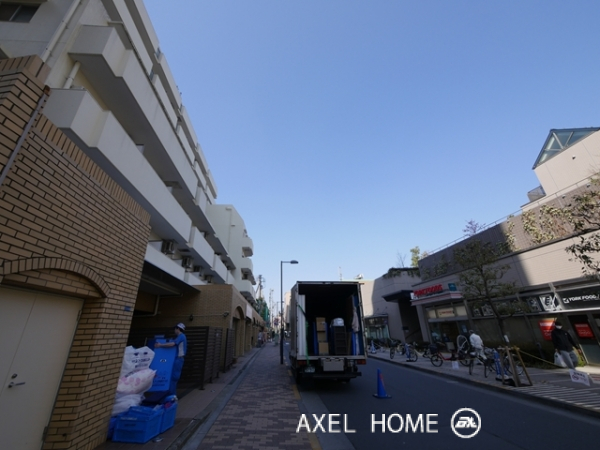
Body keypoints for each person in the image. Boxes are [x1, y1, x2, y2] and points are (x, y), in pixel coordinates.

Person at [155, 323, 187, 395]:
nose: (174, 330)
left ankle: (172, 396)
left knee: (174, 377)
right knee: (173, 377)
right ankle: (171, 394)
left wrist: (160, 345)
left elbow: (172, 344)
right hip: (177, 359)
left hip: (178, 359)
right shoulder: (180, 337)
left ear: (178, 329)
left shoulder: (181, 336)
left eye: (175, 329)